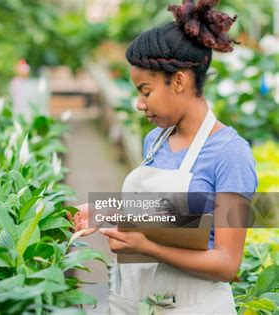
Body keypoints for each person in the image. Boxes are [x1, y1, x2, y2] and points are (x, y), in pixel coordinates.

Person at [73, 0, 258, 314]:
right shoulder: (155, 142)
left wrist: (147, 248)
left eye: (145, 91)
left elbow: (227, 264)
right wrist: (104, 211)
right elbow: (168, 216)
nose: (139, 104)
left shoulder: (231, 155)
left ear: (180, 81)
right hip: (136, 304)